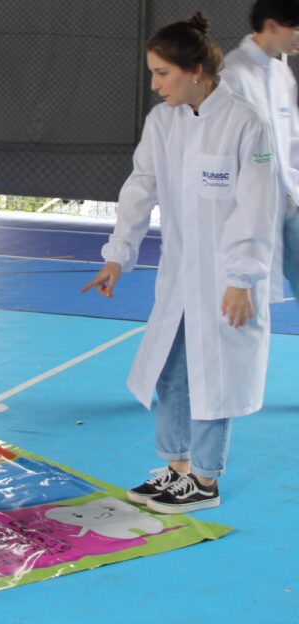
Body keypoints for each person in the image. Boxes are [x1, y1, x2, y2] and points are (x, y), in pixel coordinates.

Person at [82, 13, 277, 514]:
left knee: (214, 374)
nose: (155, 84)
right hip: (180, 276)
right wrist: (117, 256)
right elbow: (139, 189)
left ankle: (205, 481)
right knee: (172, 369)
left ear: (195, 71)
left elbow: (257, 208)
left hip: (226, 279)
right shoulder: (162, 123)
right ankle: (177, 468)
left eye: (162, 73)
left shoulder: (245, 123)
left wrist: (241, 278)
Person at [222, 0, 299, 305]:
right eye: (295, 28)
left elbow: (293, 140)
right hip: (250, 205)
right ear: (271, 26)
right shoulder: (233, 74)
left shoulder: (282, 74)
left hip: (290, 199)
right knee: (247, 299)